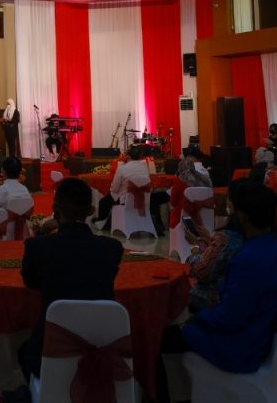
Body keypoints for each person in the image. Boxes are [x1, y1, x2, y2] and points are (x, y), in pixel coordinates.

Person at [170, 180, 277, 374]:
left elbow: (228, 318)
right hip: (261, 338)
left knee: (160, 338)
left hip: (238, 348)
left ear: (242, 216)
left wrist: (195, 319)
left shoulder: (249, 260)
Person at [18, 177, 123, 381]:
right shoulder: (112, 248)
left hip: (51, 346)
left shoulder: (37, 247)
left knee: (24, 352)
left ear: (55, 209)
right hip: (103, 342)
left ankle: (39, 392)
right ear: (91, 210)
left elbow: (30, 282)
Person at [183, 180, 246, 313]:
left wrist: (194, 247)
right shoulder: (253, 235)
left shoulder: (227, 238)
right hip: (241, 299)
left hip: (216, 300)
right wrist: (210, 241)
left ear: (233, 204)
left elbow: (200, 272)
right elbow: (221, 257)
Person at [95, 145, 167, 234]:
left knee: (103, 202)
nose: (124, 156)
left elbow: (115, 188)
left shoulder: (122, 168)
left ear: (128, 157)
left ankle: (103, 224)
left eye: (125, 154)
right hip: (142, 199)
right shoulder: (144, 167)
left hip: (126, 201)